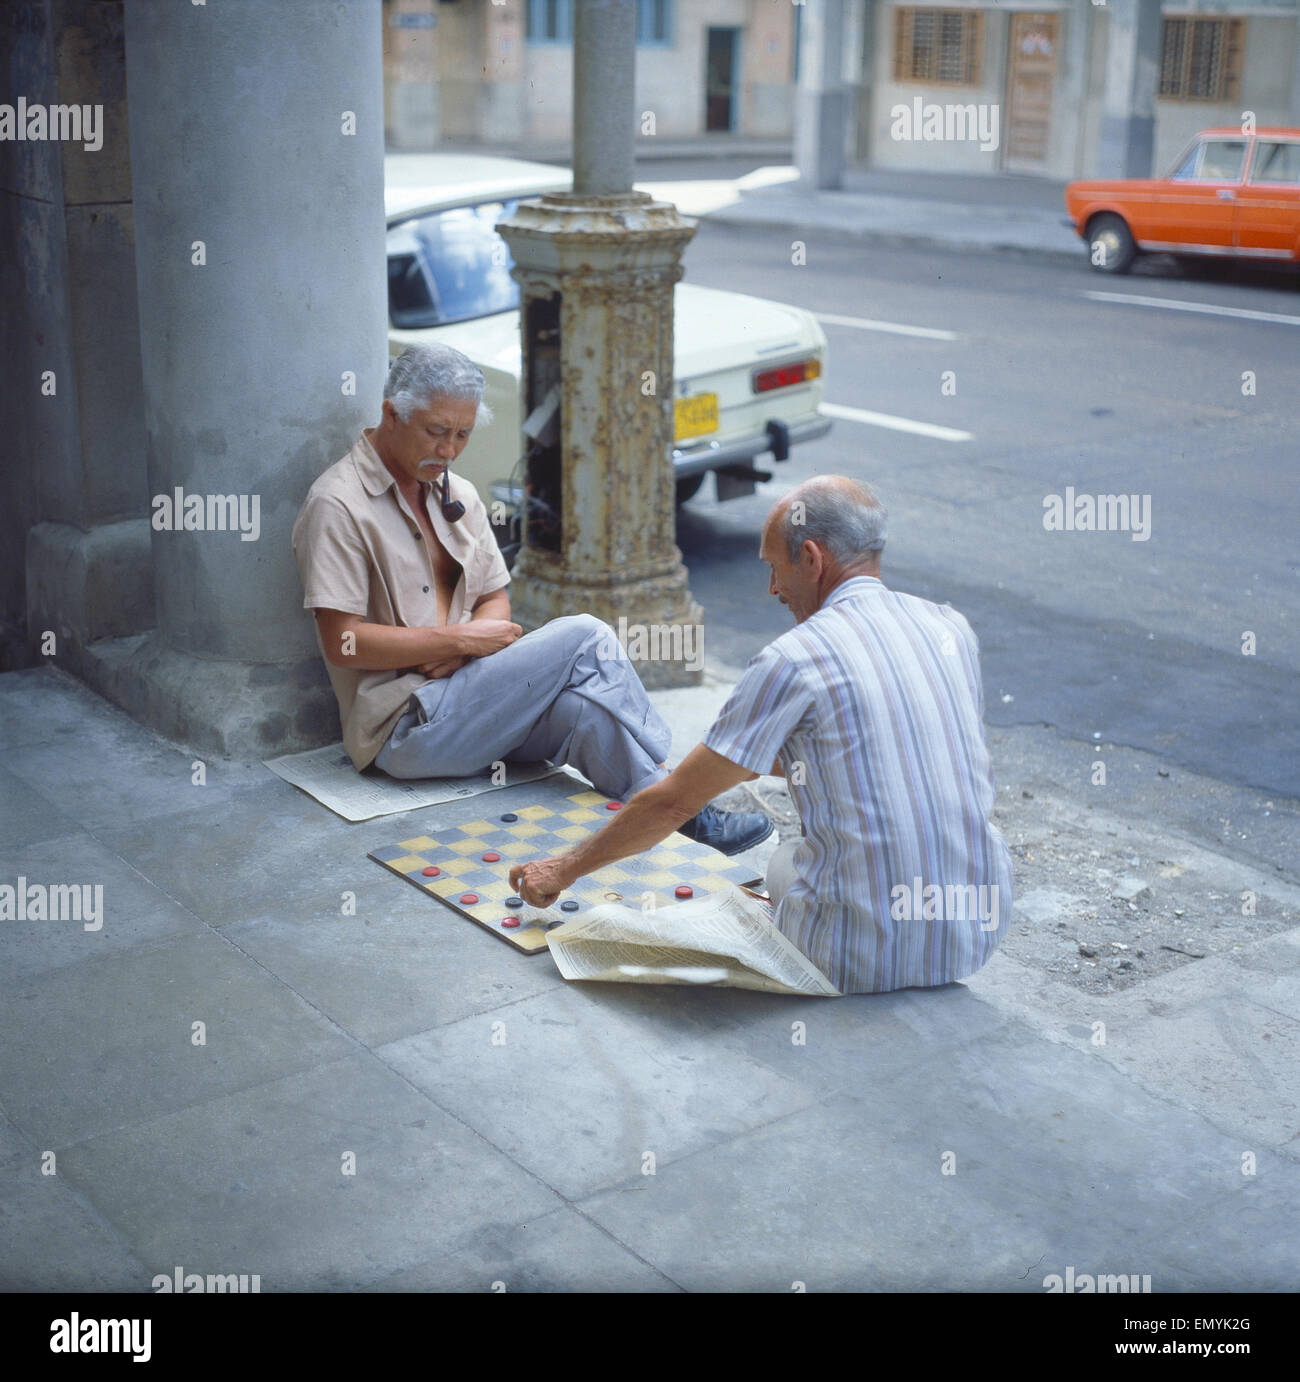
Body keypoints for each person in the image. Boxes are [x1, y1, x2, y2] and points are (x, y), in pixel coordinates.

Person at [511, 475, 1014, 994]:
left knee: (783, 860)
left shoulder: (793, 660)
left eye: (775, 568)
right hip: (971, 937)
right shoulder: (951, 629)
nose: (773, 588)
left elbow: (673, 806)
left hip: (854, 958)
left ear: (813, 559)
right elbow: (867, 743)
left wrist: (561, 870)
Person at [291, 343, 771, 857]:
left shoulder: (460, 494)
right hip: (406, 728)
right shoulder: (338, 503)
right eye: (436, 431)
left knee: (583, 711)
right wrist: (460, 637)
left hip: (470, 695)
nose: (449, 450)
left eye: (463, 435)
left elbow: (495, 599)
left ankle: (670, 816)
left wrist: (464, 647)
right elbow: (342, 642)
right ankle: (686, 793)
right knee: (585, 635)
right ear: (392, 413)